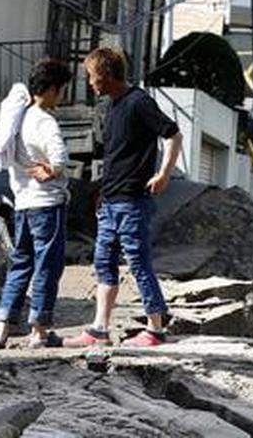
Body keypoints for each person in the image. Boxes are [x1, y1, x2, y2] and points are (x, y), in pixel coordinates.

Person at [64, 47, 182, 348]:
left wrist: (164, 174)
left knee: (138, 262)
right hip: (111, 200)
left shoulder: (139, 102)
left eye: (92, 76)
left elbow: (173, 134)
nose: (90, 83)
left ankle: (155, 329)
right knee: (104, 262)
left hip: (132, 201)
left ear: (105, 74)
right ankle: (99, 329)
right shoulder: (112, 106)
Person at [0, 58, 72, 349]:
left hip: (22, 205)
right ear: (49, 89)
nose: (60, 96)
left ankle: (2, 329)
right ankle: (39, 330)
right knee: (47, 266)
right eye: (60, 90)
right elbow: (60, 159)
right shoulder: (44, 120)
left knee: (20, 264)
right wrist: (51, 170)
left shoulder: (17, 119)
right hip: (47, 204)